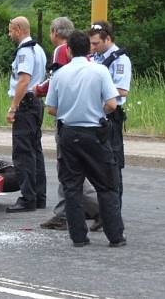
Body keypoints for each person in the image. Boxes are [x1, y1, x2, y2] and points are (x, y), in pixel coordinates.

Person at [45, 30, 126, 247]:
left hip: (69, 134)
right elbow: (112, 104)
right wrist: (95, 110)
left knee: (72, 188)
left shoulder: (60, 74)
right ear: (89, 48)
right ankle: (115, 236)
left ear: (69, 50)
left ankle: (78, 237)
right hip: (95, 135)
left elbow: (51, 109)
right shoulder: (99, 71)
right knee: (107, 186)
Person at [38, 17, 99, 230]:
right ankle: (93, 208)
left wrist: (38, 90)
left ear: (55, 31)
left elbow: (55, 79)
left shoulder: (60, 51)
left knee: (67, 168)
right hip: (90, 119)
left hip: (67, 118)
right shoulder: (91, 62)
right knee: (81, 167)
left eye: (50, 31)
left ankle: (85, 210)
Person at [89, 21, 131, 214]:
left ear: (108, 39)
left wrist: (100, 90)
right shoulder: (95, 57)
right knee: (97, 166)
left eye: (96, 43)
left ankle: (113, 212)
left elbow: (122, 90)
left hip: (111, 116)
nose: (93, 47)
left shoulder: (119, 60)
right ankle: (101, 211)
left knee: (113, 165)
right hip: (96, 114)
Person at [5, 16, 47, 213]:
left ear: (19, 30)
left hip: (26, 104)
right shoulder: (38, 49)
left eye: (11, 30)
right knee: (35, 151)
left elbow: (24, 80)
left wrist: (14, 107)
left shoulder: (25, 51)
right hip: (36, 103)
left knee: (23, 153)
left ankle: (27, 198)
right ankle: (39, 196)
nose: (9, 34)